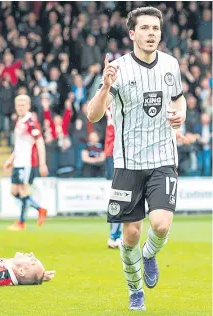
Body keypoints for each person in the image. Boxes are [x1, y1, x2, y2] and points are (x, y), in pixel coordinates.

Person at [87, 7, 186, 311]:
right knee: (130, 234)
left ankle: (149, 254)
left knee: (161, 224)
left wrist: (181, 112)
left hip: (163, 158)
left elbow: (178, 97)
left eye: (155, 28)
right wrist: (104, 87)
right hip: (128, 163)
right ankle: (135, 290)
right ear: (132, 34)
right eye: (144, 28)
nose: (151, 34)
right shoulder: (116, 69)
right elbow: (93, 115)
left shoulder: (171, 64)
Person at [3, 95, 48, 231]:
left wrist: (42, 163)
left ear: (28, 106)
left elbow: (39, 142)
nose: (21, 108)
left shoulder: (31, 121)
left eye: (23, 105)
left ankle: (21, 223)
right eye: (18, 105)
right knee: (14, 192)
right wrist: (10, 160)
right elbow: (18, 146)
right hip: (17, 162)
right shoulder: (20, 121)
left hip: (26, 163)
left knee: (23, 191)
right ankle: (40, 209)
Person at [104, 107, 122, 249]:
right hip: (115, 152)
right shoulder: (110, 101)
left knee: (120, 195)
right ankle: (115, 235)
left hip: (118, 151)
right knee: (118, 195)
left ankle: (116, 235)